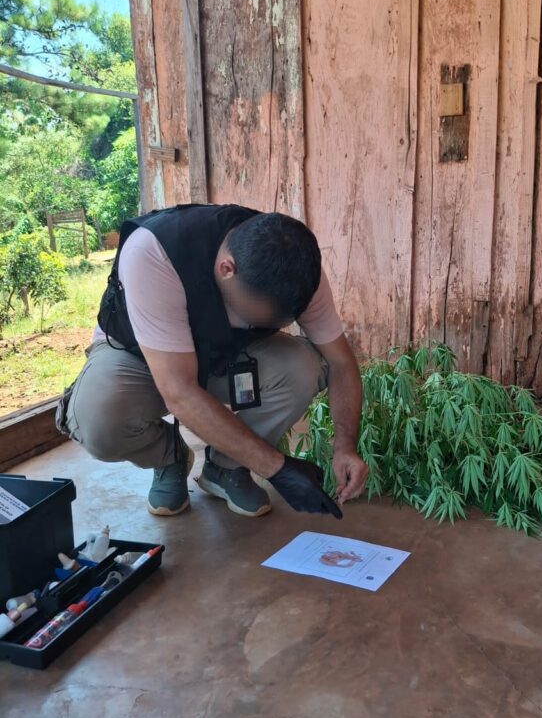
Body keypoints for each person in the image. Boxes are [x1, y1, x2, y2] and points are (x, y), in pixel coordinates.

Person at [56, 203, 368, 519]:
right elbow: (180, 392)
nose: (265, 325)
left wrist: (345, 447)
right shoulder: (153, 253)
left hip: (222, 357)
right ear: (226, 269)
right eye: (259, 317)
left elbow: (341, 364)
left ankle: (226, 467)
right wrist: (278, 468)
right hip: (141, 360)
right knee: (99, 421)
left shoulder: (296, 271)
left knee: (303, 368)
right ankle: (169, 457)